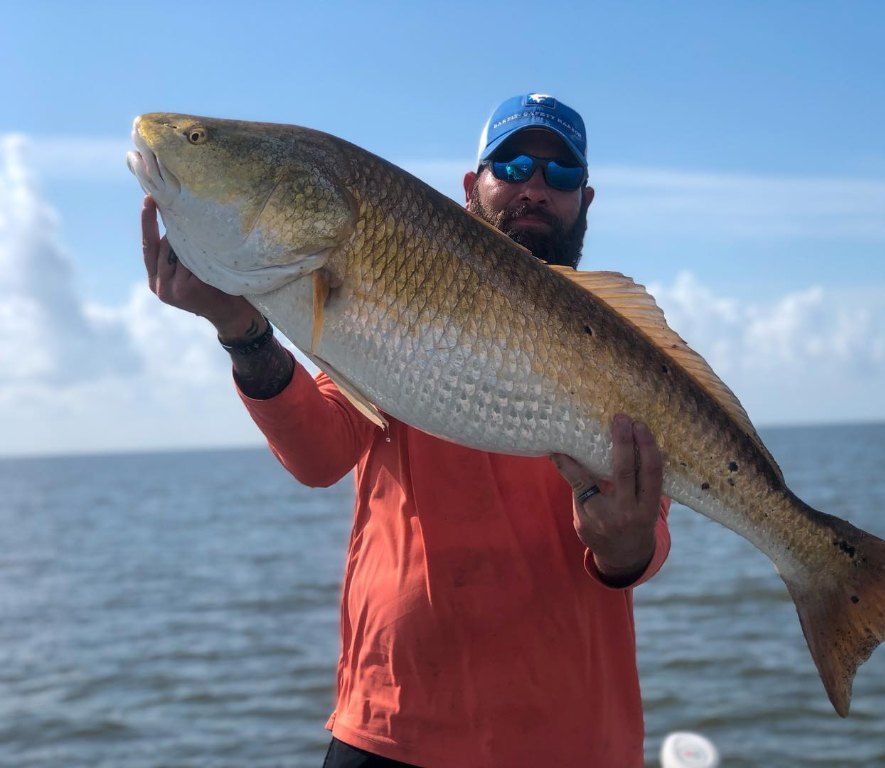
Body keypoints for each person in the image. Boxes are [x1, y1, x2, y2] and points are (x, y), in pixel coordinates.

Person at [141, 93, 671, 768]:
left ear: (585, 201)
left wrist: (627, 549)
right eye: (510, 164)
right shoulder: (401, 298)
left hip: (568, 739)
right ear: (472, 187)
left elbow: (649, 531)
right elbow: (319, 452)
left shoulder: (620, 353)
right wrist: (242, 331)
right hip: (391, 724)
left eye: (560, 175)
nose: (535, 187)